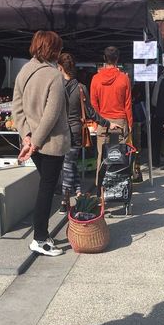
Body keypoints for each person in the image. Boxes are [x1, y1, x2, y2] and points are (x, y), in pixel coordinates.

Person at [13, 31, 70, 257]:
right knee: (46, 190)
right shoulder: (53, 76)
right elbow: (52, 114)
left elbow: (16, 107)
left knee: (45, 188)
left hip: (32, 142)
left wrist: (27, 136)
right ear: (53, 49)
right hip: (51, 143)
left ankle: (41, 235)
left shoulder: (24, 71)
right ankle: (40, 238)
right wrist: (35, 143)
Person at [57, 52, 120, 212]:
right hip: (76, 131)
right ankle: (78, 193)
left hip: (60, 132)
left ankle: (65, 201)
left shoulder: (56, 87)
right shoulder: (81, 88)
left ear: (60, 68)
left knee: (67, 165)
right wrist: (107, 123)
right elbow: (91, 113)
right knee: (71, 164)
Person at [90, 46, 133, 185]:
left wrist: (97, 122)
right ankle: (118, 186)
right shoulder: (124, 79)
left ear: (104, 58)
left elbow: (93, 104)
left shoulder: (96, 79)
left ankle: (100, 189)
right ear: (117, 59)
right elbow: (128, 104)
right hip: (120, 121)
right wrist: (130, 124)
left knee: (101, 157)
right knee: (119, 157)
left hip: (103, 121)